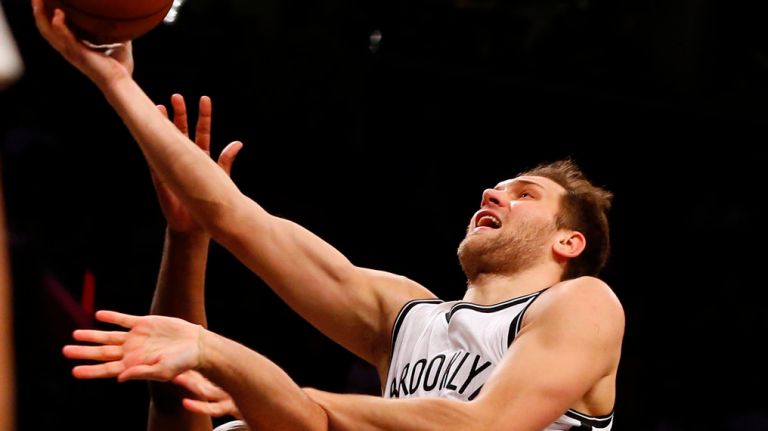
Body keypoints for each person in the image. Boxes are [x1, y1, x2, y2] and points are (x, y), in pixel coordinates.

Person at [33, 0, 625, 429]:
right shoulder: (406, 316)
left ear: (569, 242)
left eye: (524, 194)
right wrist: (115, 81)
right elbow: (238, 219)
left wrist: (274, 392)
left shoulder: (583, 304)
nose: (493, 196)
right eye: (495, 188)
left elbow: (484, 426)